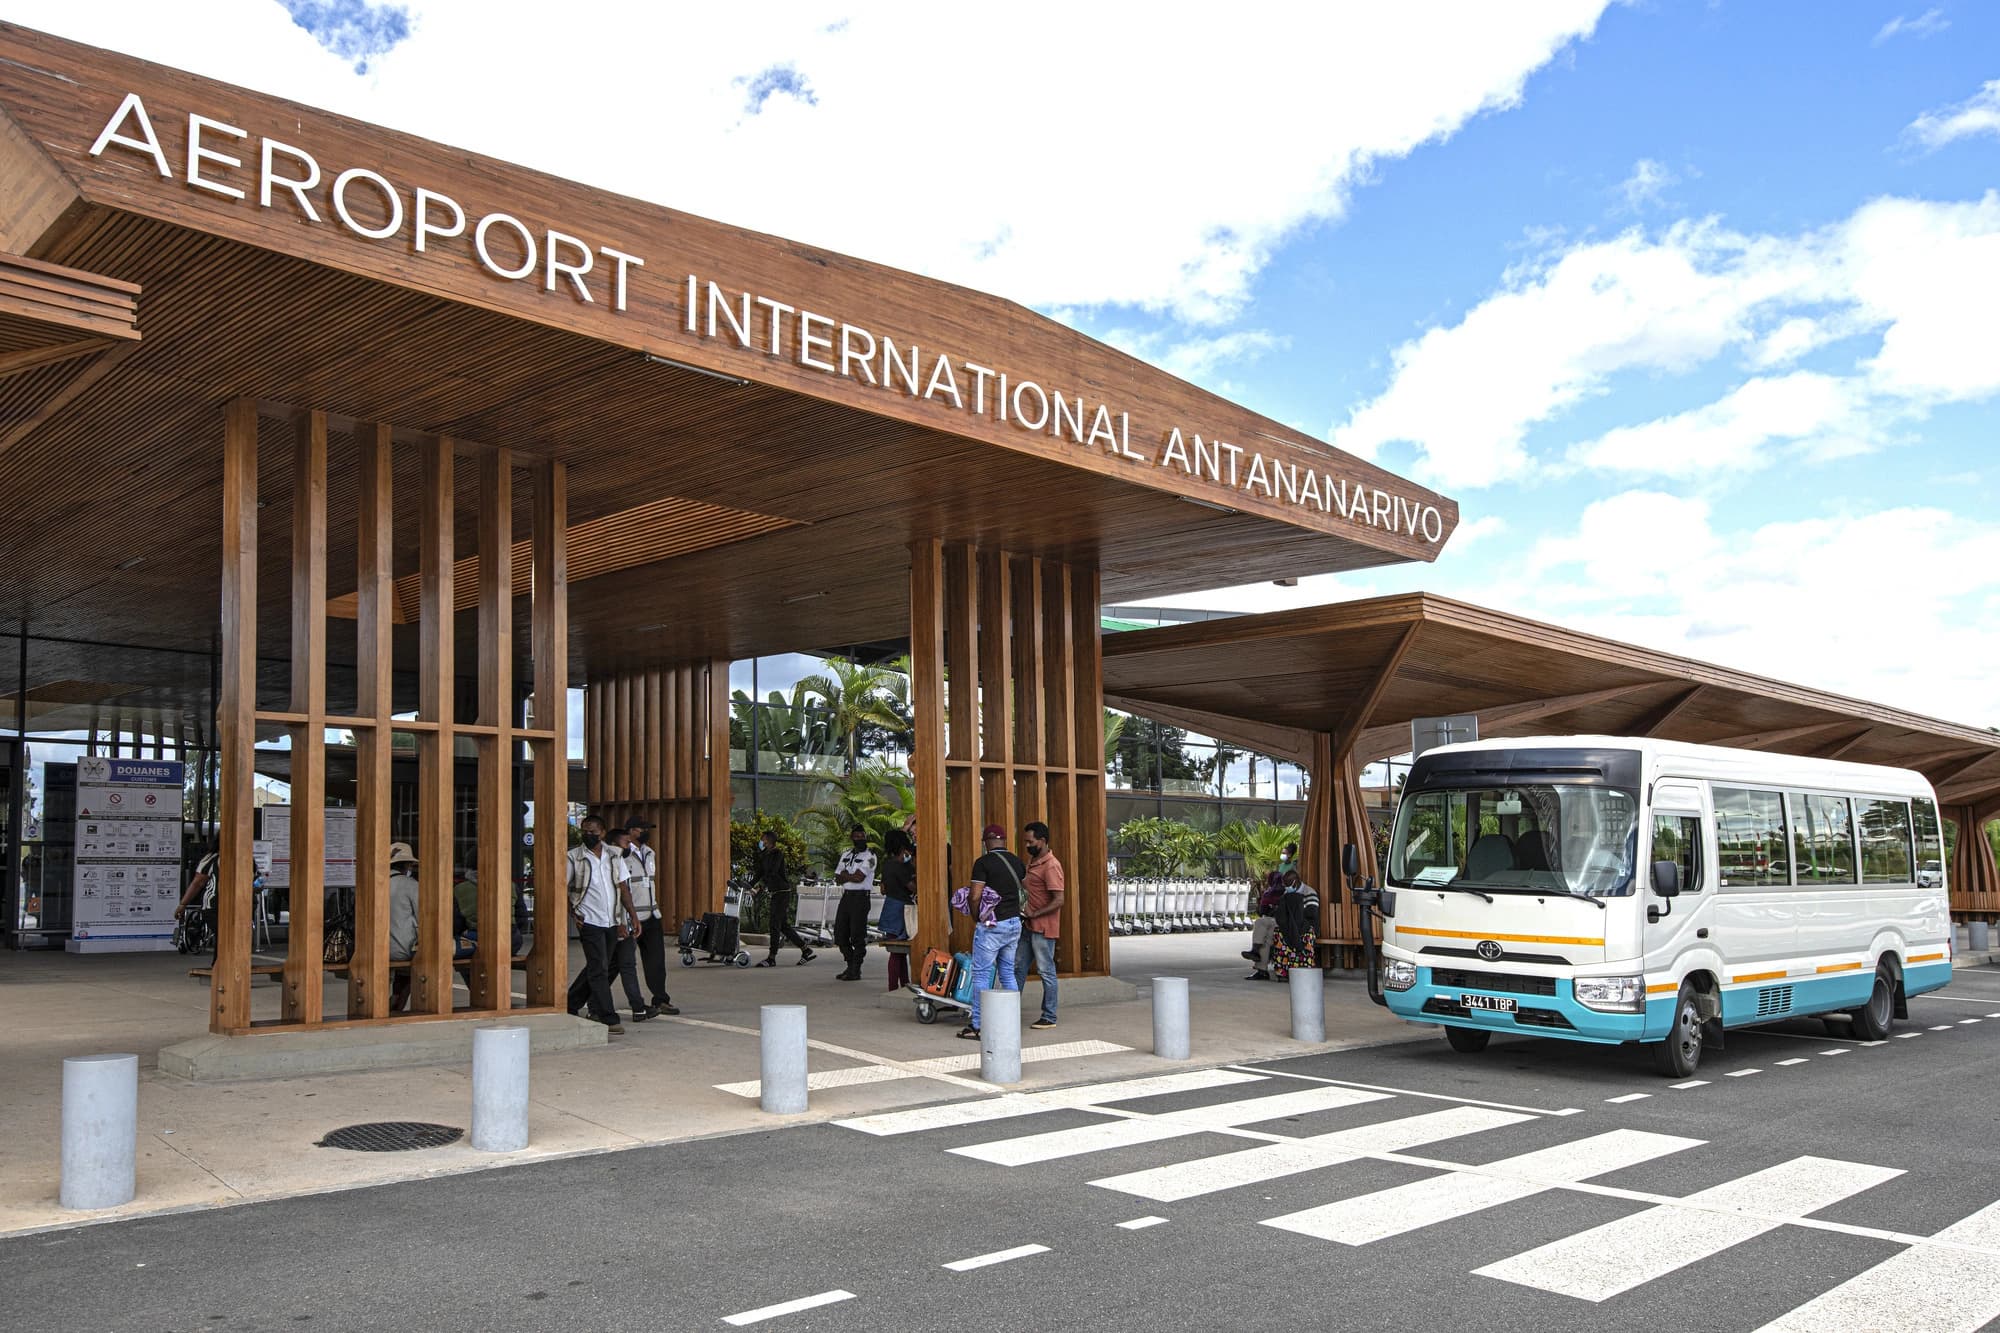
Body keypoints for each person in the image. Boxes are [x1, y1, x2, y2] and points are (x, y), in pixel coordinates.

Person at [959, 823, 1025, 1040]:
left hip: (993, 926)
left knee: (981, 974)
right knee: (1007, 972)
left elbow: (975, 895)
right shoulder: (1017, 862)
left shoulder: (983, 863)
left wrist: (976, 915)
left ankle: (978, 1025)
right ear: (1004, 841)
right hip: (1014, 923)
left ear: (986, 842)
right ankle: (1011, 1020)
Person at [565, 815, 628, 1032]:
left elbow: (623, 887)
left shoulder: (614, 855)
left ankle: (571, 1003)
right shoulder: (574, 857)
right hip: (588, 920)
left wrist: (630, 917)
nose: (588, 835)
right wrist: (573, 913)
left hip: (610, 920)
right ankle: (608, 1016)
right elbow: (562, 888)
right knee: (598, 969)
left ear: (602, 832)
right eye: (584, 831)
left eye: (593, 831)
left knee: (600, 966)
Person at [1012, 820, 1065, 1030]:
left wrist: (1035, 913)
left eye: (1030, 841)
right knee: (1018, 968)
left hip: (1043, 928)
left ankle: (1049, 1016)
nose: (1026, 845)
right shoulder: (1033, 861)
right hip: (1028, 925)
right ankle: (1009, 1010)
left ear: (1042, 841)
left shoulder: (1051, 865)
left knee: (1046, 971)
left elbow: (1059, 899)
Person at [623, 819, 677, 1016]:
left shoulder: (649, 852)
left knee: (656, 961)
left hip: (652, 914)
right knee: (617, 963)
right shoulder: (622, 853)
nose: (646, 831)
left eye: (648, 828)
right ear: (630, 831)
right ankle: (589, 1001)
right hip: (631, 917)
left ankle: (660, 999)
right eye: (642, 828)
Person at [601, 827, 655, 1022]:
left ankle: (638, 1008)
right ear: (614, 845)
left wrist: (632, 918)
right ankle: (591, 1004)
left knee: (627, 966)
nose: (628, 847)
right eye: (625, 844)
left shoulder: (621, 862)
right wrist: (620, 923)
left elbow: (626, 895)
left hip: (624, 924)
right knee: (602, 968)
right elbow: (615, 896)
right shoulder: (608, 864)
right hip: (609, 925)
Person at [750, 827, 815, 966]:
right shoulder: (765, 855)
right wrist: (748, 885)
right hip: (775, 892)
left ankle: (771, 958)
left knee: (774, 924)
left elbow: (772, 872)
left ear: (769, 841)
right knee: (783, 926)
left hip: (782, 892)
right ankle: (806, 949)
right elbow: (760, 873)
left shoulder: (777, 854)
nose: (761, 842)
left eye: (763, 840)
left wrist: (759, 888)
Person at [831, 825, 878, 981]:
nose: (859, 839)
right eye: (856, 836)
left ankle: (855, 969)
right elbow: (837, 877)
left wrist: (847, 875)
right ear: (852, 838)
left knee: (857, 935)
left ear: (866, 837)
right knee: (839, 933)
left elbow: (860, 878)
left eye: (862, 836)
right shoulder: (846, 854)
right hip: (847, 897)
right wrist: (848, 876)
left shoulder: (871, 857)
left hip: (861, 898)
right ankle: (850, 965)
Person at [879, 829, 916, 992]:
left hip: (889, 907)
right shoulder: (900, 867)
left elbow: (883, 889)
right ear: (903, 847)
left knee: (897, 951)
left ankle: (902, 984)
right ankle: (895, 986)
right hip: (901, 909)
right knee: (898, 951)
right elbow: (913, 887)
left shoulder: (887, 864)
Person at [1270, 868, 1321, 982]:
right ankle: (1283, 971)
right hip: (1290, 925)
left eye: (1288, 884)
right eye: (1285, 884)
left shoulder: (1309, 892)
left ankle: (1302, 968)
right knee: (1279, 932)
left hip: (1306, 926)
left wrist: (1297, 910)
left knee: (1301, 934)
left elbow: (1312, 913)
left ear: (1296, 881)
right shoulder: (1286, 893)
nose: (1286, 887)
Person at [387, 841, 420, 1012]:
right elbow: (424, 917)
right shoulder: (411, 885)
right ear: (407, 865)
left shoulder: (375, 884)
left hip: (376, 949)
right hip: (403, 949)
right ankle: (396, 1004)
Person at [174, 844, 219, 964]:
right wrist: (183, 904)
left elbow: (197, 883)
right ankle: (220, 967)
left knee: (226, 939)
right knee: (224, 937)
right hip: (214, 905)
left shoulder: (246, 857)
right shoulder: (212, 858)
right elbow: (198, 882)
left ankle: (221, 967)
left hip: (231, 905)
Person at [1243, 871, 1284, 980]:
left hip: (1281, 922)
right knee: (1266, 939)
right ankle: (1261, 969)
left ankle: (1256, 952)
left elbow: (1262, 911)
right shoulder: (1284, 892)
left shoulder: (1270, 893)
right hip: (1276, 923)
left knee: (1260, 922)